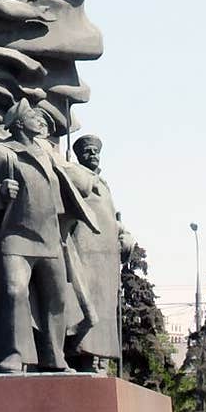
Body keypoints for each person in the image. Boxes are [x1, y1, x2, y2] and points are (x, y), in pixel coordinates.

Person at [0, 93, 99, 373]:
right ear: (18, 123)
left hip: (51, 239)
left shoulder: (48, 154)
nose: (42, 122)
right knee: (14, 291)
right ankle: (13, 354)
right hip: (16, 238)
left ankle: (54, 356)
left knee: (57, 298)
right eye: (35, 117)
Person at [63, 135, 135, 373]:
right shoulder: (75, 176)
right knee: (85, 304)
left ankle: (101, 359)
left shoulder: (103, 183)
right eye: (87, 151)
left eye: (95, 151)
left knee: (105, 309)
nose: (92, 155)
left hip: (106, 256)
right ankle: (84, 356)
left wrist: (124, 235)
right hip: (85, 251)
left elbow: (111, 217)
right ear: (78, 155)